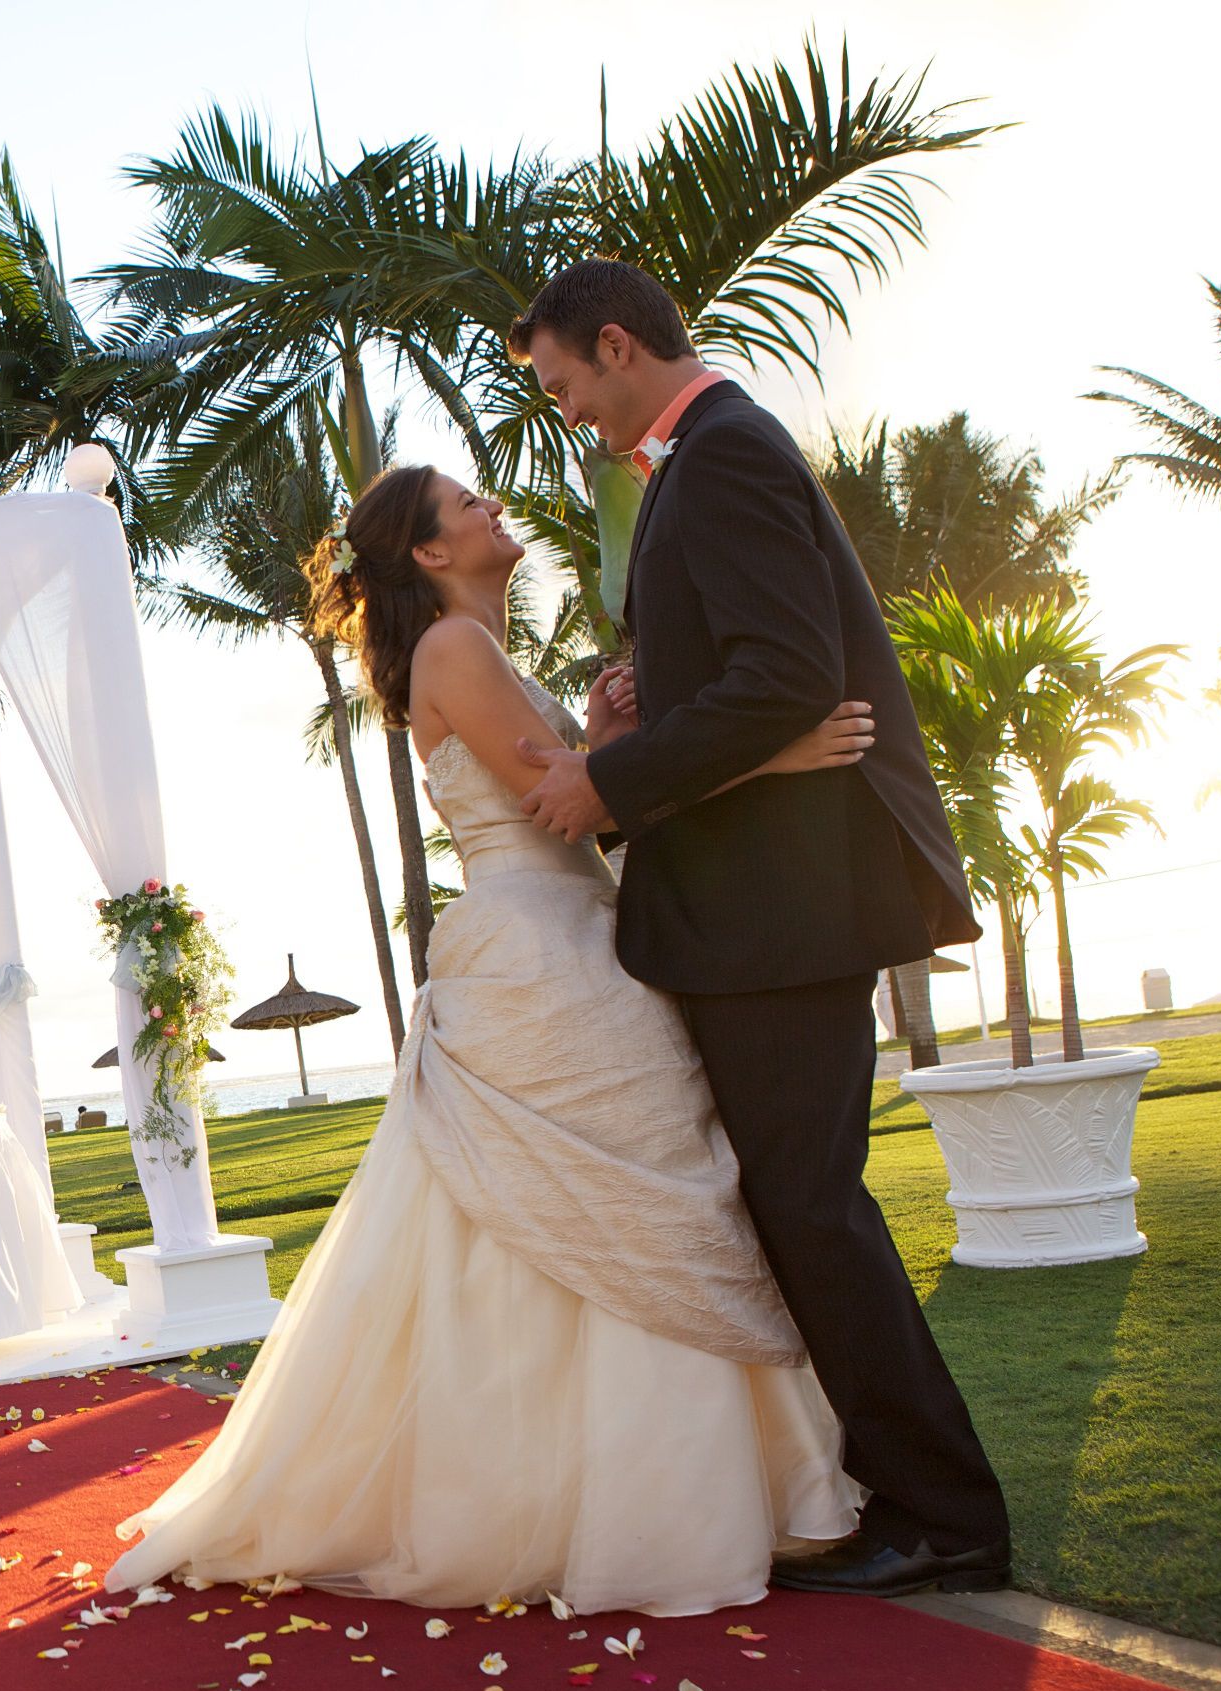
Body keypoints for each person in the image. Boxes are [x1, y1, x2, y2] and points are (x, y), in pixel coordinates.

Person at [105, 459, 870, 1616]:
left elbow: (571, 788)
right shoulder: (458, 652)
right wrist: (776, 750)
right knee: (620, 1196)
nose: (491, 509)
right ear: (427, 551)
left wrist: (600, 728)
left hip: (566, 924)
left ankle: (606, 1488)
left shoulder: (476, 651)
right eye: (467, 505)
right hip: (542, 947)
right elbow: (575, 803)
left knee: (606, 1203)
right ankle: (646, 1498)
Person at [509, 257, 1009, 1597]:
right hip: (761, 906)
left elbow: (788, 676)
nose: (572, 418)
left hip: (780, 912)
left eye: (565, 389)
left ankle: (945, 1515)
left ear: (617, 347)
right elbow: (752, 677)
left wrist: (608, 779)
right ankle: (891, 1490)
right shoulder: (706, 464)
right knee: (800, 1205)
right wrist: (647, 697)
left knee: (811, 1206)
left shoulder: (721, 456)